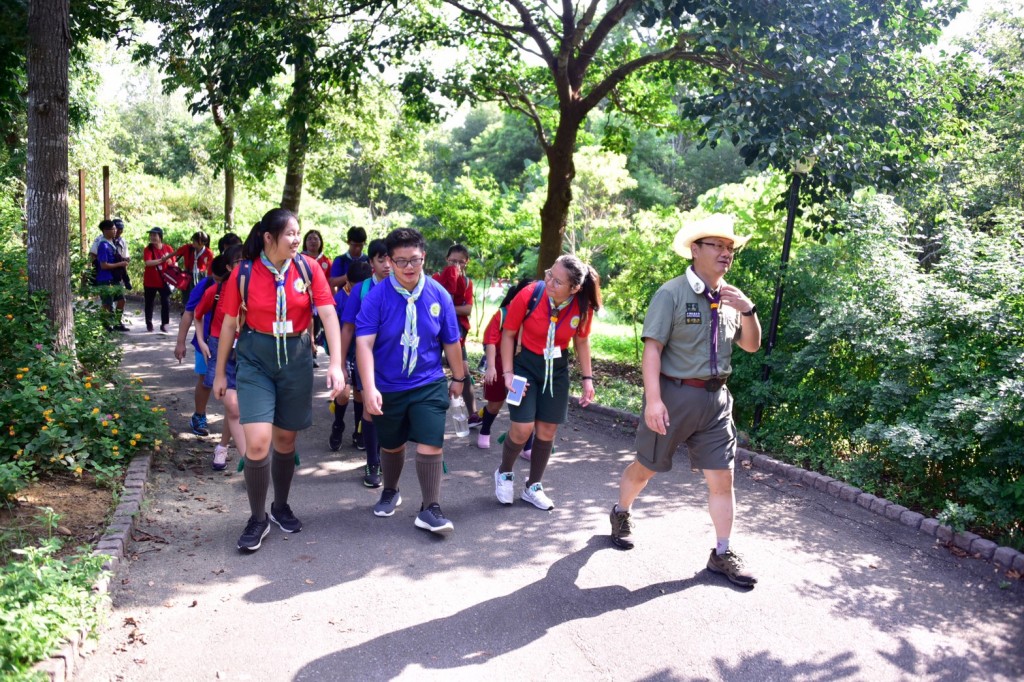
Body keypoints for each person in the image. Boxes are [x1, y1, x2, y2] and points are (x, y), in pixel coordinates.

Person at [608, 215, 761, 589]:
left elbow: (751, 345)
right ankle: (621, 511)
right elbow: (652, 350)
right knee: (646, 468)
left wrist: (749, 310)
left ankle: (722, 552)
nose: (726, 253)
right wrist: (654, 401)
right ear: (695, 250)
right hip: (674, 397)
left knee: (722, 480)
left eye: (730, 248)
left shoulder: (730, 299)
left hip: (716, 401)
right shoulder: (672, 293)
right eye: (718, 246)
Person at [213, 208, 343, 553]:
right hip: (256, 357)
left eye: (298, 233)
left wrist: (336, 364)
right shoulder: (243, 273)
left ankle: (280, 505)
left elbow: (328, 312)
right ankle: (257, 518)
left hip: (296, 358)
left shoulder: (307, 267)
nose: (296, 240)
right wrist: (219, 372)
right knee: (257, 442)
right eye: (289, 234)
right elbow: (229, 324)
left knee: (285, 441)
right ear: (269, 238)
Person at [355, 228, 465, 535]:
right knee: (392, 445)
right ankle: (390, 490)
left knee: (431, 442)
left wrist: (459, 377)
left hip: (427, 382)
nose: (408, 267)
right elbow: (363, 344)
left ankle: (430, 508)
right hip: (387, 384)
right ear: (389, 261)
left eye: (414, 260)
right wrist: (369, 387)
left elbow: (451, 340)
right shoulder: (377, 297)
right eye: (400, 261)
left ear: (424, 257)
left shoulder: (438, 294)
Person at [494, 254, 600, 510]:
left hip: (557, 369)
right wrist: (508, 374)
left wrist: (588, 379)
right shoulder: (531, 294)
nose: (549, 281)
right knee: (522, 428)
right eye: (549, 274)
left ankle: (533, 486)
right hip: (523, 367)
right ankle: (505, 472)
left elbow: (582, 341)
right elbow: (508, 334)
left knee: (547, 430)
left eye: (557, 281)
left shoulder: (582, 306)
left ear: (574, 288)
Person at [174, 232, 244, 439]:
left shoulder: (247, 284)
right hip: (207, 342)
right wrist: (181, 343)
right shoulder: (208, 286)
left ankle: (233, 428)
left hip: (237, 342)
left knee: (235, 386)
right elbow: (191, 313)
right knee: (206, 380)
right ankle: (199, 415)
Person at [336, 244, 390, 486]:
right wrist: (339, 362)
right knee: (371, 406)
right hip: (366, 357)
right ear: (372, 264)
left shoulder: (406, 287)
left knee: (391, 409)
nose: (387, 265)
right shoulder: (361, 290)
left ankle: (385, 454)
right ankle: (372, 462)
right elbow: (347, 328)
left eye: (391, 259)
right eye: (381, 260)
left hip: (397, 359)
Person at [194, 248, 245, 471]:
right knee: (233, 406)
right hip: (219, 347)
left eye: (246, 261)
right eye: (238, 261)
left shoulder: (252, 289)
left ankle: (222, 447)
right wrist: (202, 343)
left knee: (235, 408)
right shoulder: (215, 291)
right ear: (228, 266)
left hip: (245, 348)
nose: (243, 266)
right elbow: (197, 316)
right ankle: (250, 463)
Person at [477, 278, 535, 457]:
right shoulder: (503, 313)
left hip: (522, 369)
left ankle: (528, 446)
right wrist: (491, 367)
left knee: (523, 406)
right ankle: (484, 428)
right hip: (500, 365)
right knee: (495, 404)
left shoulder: (538, 315)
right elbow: (491, 340)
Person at [432, 244, 482, 428]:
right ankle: (428, 412)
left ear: (467, 262)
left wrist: (446, 308)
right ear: (447, 260)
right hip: (434, 332)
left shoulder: (467, 283)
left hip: (456, 333)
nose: (456, 265)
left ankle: (473, 414)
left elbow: (467, 309)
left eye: (461, 262)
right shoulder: (436, 278)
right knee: (430, 368)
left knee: (464, 371)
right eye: (453, 261)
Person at [94, 219, 130, 331]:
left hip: (114, 278)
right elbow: (103, 265)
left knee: (121, 299)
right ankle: (105, 324)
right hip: (105, 279)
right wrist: (120, 263)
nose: (115, 231)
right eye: (113, 229)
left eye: (116, 229)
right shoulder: (103, 245)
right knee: (107, 303)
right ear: (105, 230)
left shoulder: (113, 243)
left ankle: (117, 322)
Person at [142, 227, 175, 333]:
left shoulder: (168, 248)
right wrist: (162, 260)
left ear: (160, 236)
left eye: (154, 235)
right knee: (149, 302)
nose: (152, 237)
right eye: (151, 235)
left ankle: (165, 324)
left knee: (165, 302)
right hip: (150, 281)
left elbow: (173, 263)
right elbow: (148, 262)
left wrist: (169, 261)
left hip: (164, 280)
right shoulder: (148, 249)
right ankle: (149, 323)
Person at [175, 230, 213, 302]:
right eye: (193, 240)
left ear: (202, 242)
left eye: (195, 240)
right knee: (187, 298)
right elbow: (176, 253)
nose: (193, 242)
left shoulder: (208, 252)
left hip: (201, 276)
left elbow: (209, 267)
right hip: (188, 275)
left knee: (199, 298)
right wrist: (164, 259)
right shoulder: (188, 248)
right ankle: (186, 311)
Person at [328, 226, 367, 292]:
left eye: (360, 245)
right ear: (348, 242)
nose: (357, 248)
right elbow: (332, 283)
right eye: (354, 245)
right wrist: (347, 276)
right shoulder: (340, 260)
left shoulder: (368, 260)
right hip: (344, 300)